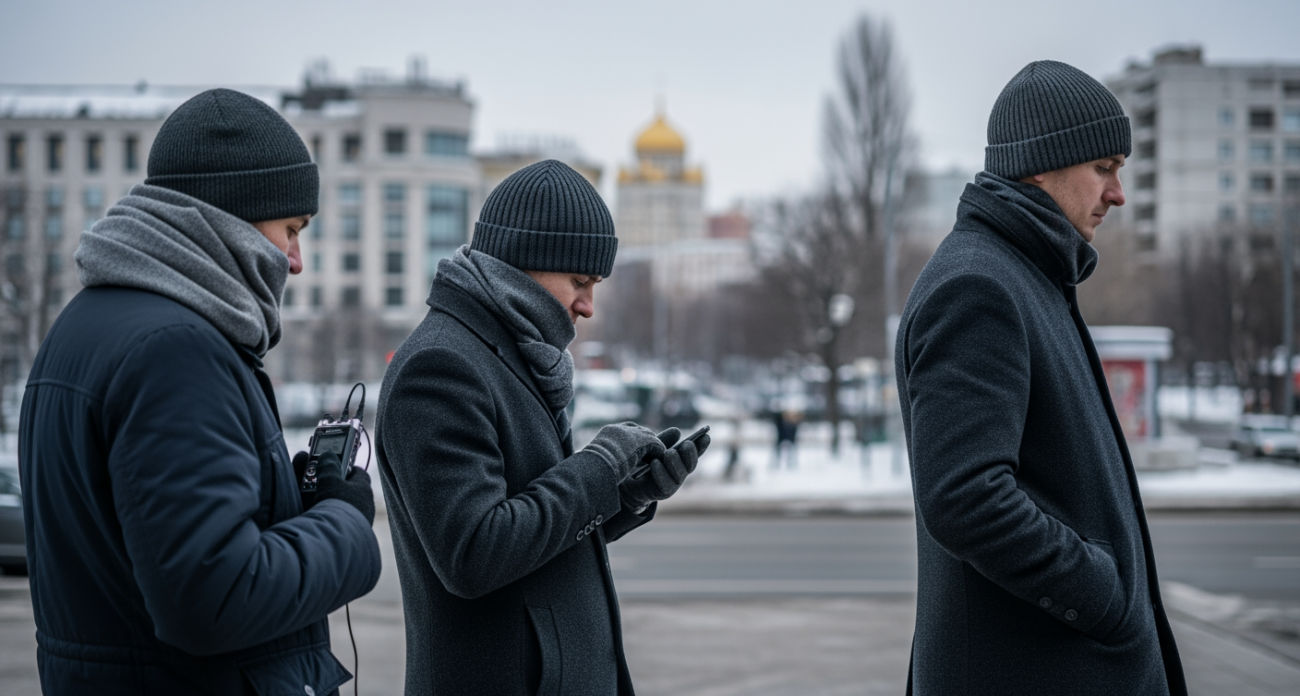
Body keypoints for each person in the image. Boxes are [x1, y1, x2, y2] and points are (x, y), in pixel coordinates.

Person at [18, 89, 382, 695]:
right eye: (290, 229)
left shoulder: (86, 324)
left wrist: (281, 499)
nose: (295, 261)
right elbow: (215, 596)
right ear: (233, 215)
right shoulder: (175, 349)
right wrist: (344, 518)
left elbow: (137, 556)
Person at [895, 61, 1186, 695]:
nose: (1118, 194)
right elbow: (966, 497)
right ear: (1040, 166)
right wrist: (1103, 596)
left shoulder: (1024, 273)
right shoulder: (981, 287)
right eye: (1103, 169)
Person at [377, 159, 707, 695]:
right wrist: (599, 467)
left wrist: (625, 495)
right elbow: (475, 553)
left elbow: (532, 530)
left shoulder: (514, 354)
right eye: (580, 281)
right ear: (525, 263)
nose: (588, 306)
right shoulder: (441, 366)